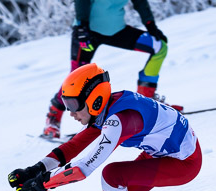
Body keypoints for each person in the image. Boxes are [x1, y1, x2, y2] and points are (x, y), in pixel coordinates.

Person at [10, 63, 202, 191]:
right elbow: (74, 145)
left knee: (113, 175)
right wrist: (35, 170)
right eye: (66, 104)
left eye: (74, 105)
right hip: (160, 155)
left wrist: (43, 184)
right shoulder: (107, 108)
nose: (71, 113)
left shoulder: (120, 118)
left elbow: (84, 167)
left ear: (94, 99)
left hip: (183, 163)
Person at [42, 0, 170, 139]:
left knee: (159, 47)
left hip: (115, 30)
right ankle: (53, 118)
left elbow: (140, 2)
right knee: (75, 78)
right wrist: (82, 26)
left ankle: (146, 101)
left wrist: (150, 24)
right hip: (87, 31)